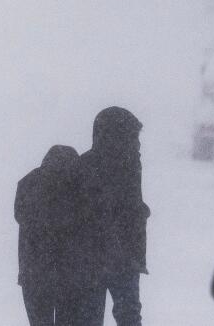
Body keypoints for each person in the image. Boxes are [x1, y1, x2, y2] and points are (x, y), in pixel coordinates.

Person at [74, 106, 151, 326]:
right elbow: (122, 209)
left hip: (94, 259)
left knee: (91, 317)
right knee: (128, 316)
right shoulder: (128, 164)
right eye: (133, 137)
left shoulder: (86, 165)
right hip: (119, 258)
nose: (137, 144)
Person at [15, 145, 90, 325]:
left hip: (34, 275)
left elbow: (20, 216)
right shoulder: (77, 185)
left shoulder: (27, 182)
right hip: (69, 275)